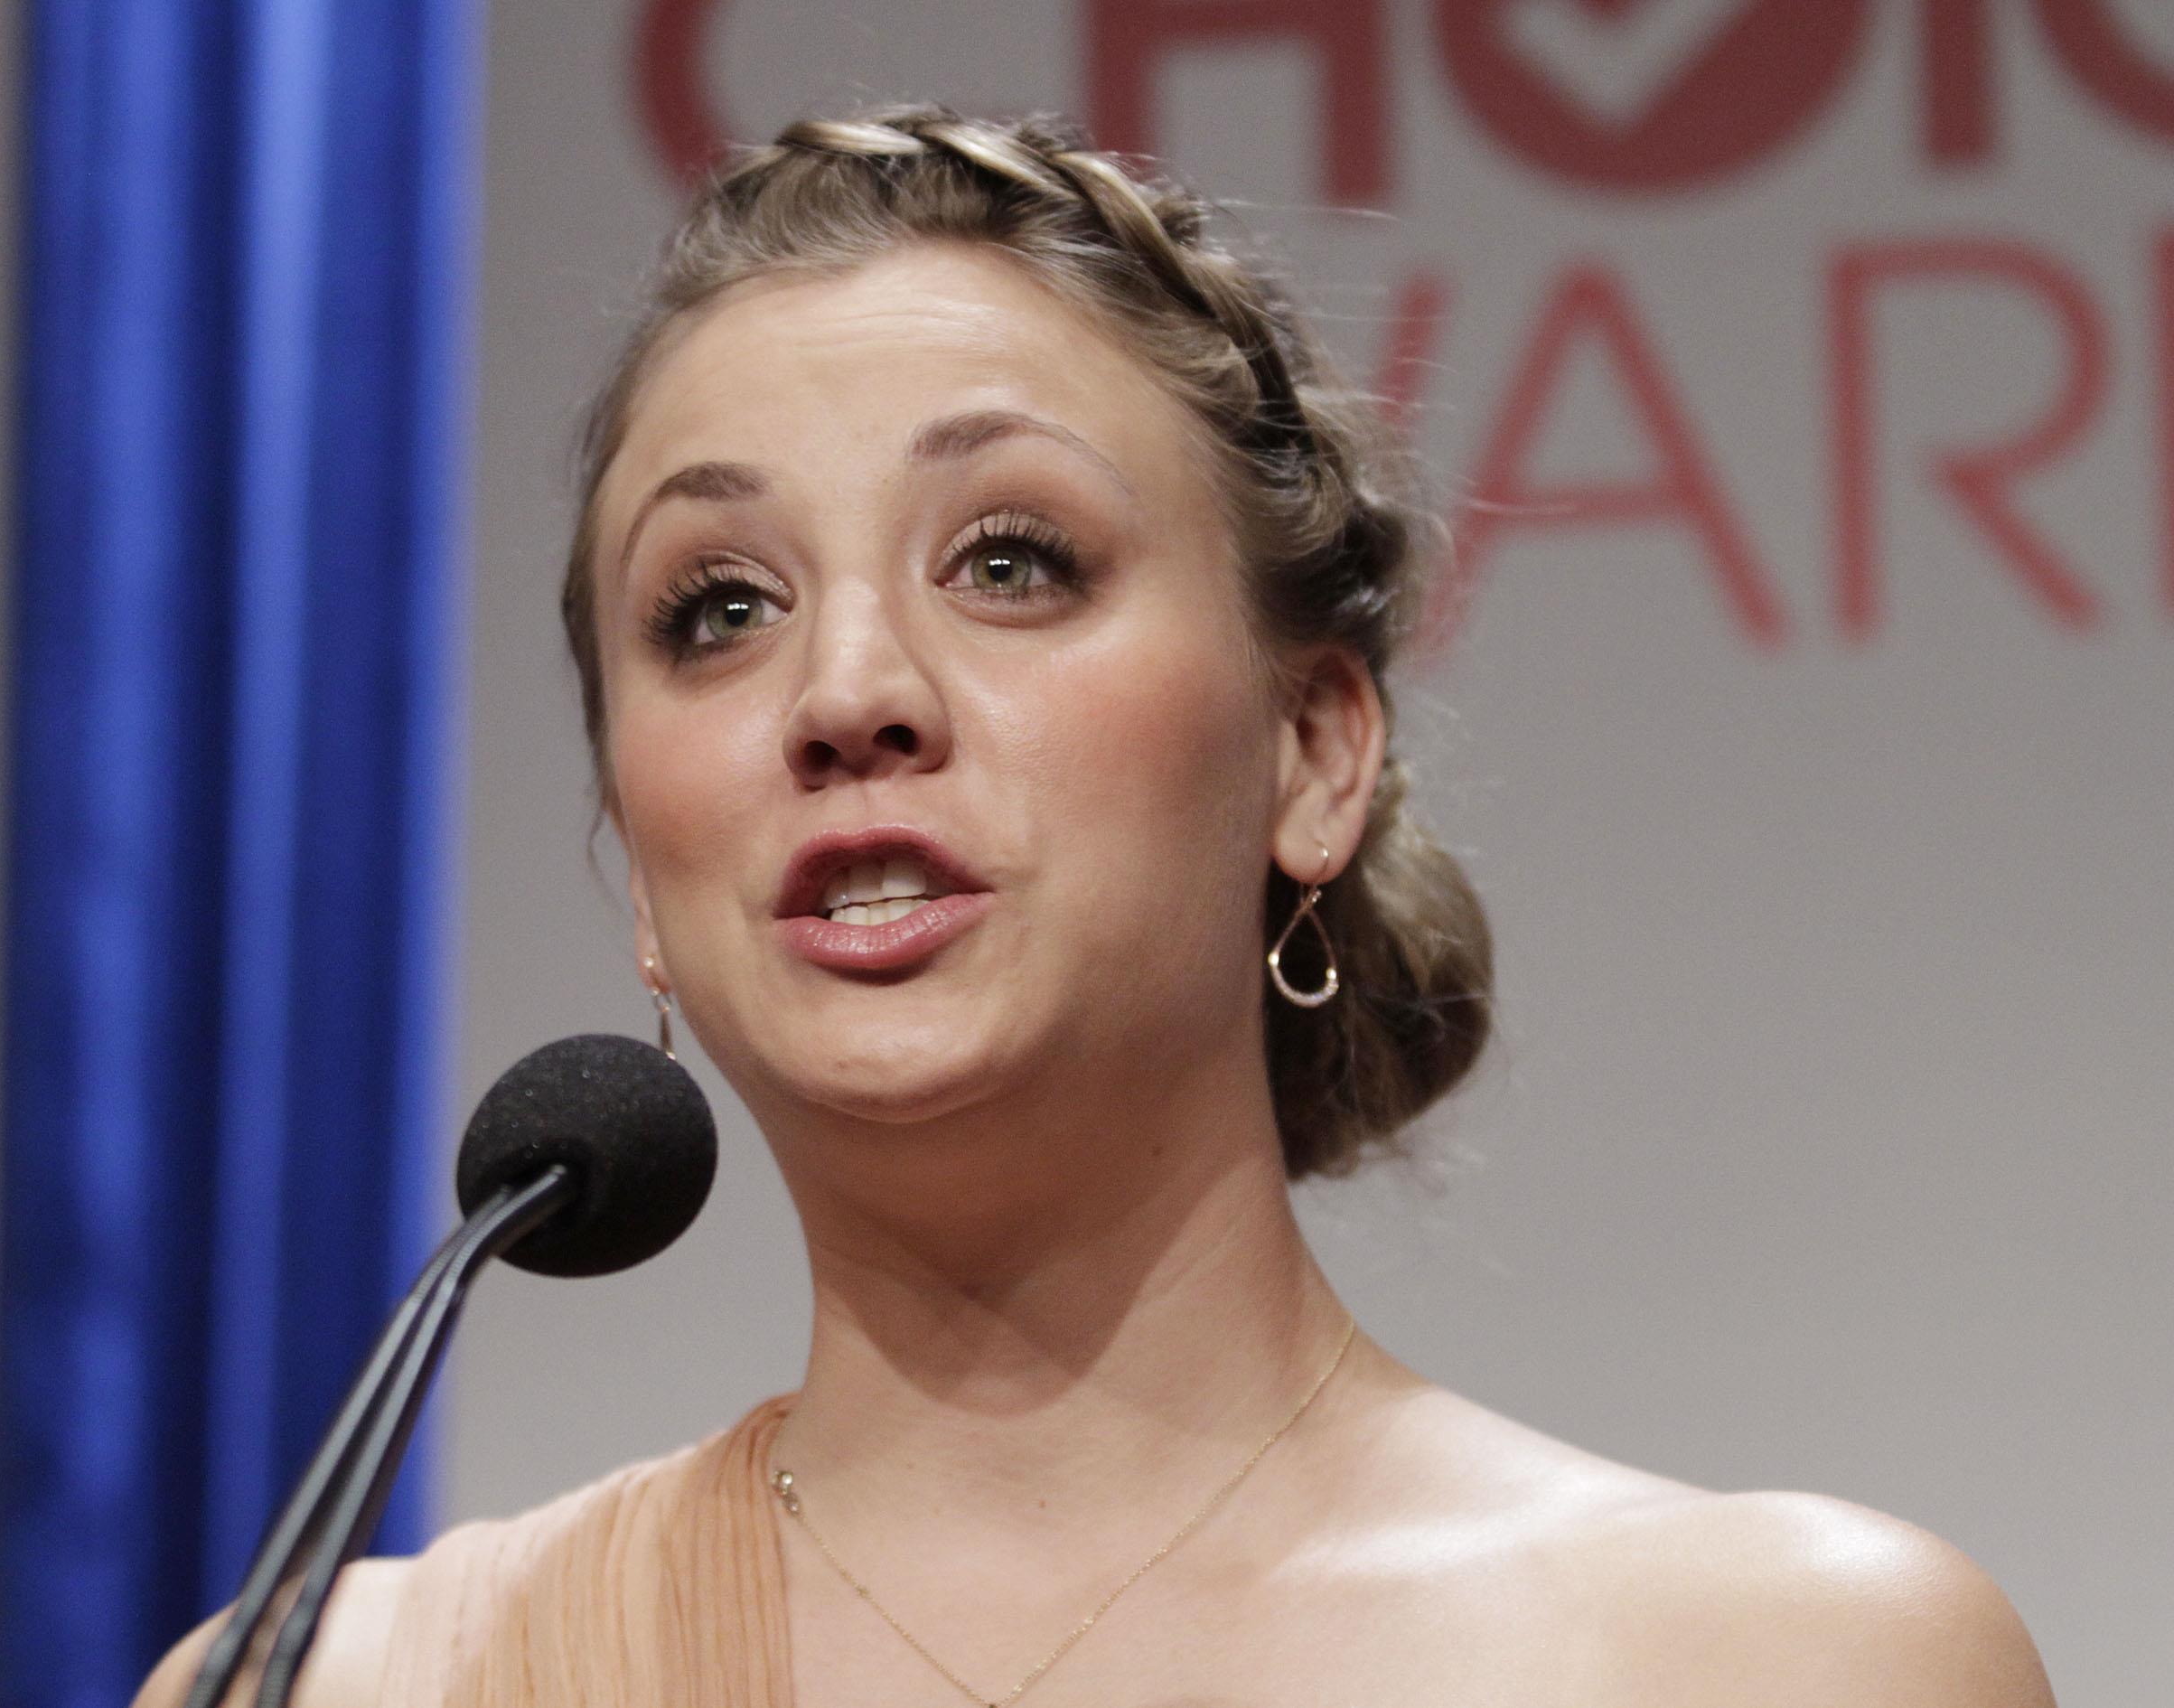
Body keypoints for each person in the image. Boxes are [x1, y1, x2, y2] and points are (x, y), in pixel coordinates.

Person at [139, 103, 2055, 1708]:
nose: (847, 694)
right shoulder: (350, 1685)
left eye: (1012, 560)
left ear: (1313, 749)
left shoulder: (1787, 1660)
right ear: (641, 861)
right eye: (719, 607)